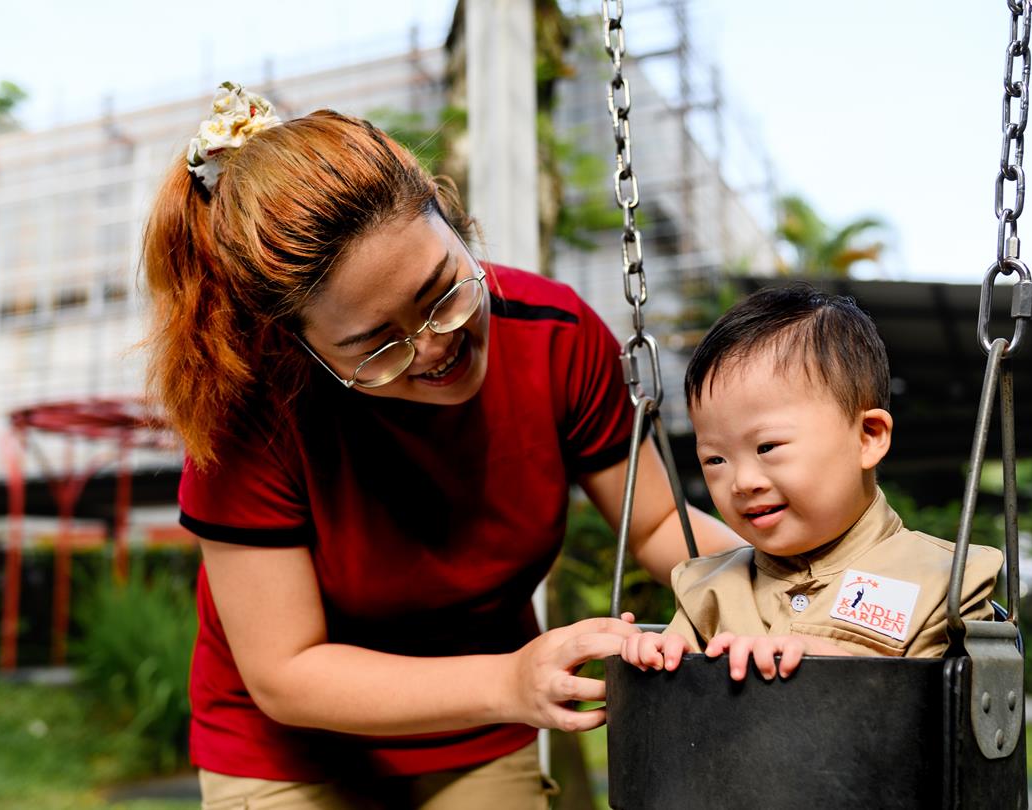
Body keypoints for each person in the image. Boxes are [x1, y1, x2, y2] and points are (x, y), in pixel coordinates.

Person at [142, 83, 740, 808]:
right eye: (377, 346)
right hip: (291, 747)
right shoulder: (252, 411)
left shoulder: (554, 338)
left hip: (482, 723)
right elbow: (287, 672)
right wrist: (510, 681)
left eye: (444, 292)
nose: (434, 347)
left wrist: (794, 589)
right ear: (296, 344)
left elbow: (651, 524)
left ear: (456, 223)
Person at [621, 284, 1004, 681]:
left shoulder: (942, 581)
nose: (742, 482)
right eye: (715, 459)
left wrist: (827, 666)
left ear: (867, 436)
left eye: (768, 446)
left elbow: (941, 718)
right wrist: (662, 655)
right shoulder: (708, 591)